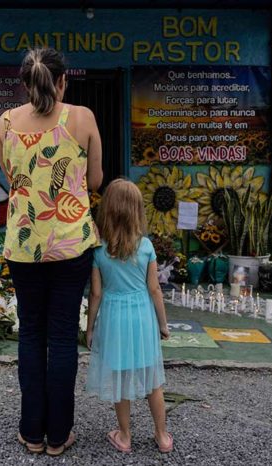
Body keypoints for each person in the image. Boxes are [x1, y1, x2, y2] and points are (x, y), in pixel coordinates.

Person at [0, 47, 103, 456]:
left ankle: (31, 432)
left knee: (31, 335)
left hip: (22, 245)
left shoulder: (6, 121)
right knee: (62, 338)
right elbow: (94, 181)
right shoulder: (83, 117)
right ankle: (59, 436)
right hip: (71, 244)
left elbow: (10, 175)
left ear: (25, 83)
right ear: (63, 81)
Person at [85, 179, 173, 454]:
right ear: (137, 210)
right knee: (152, 380)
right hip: (142, 317)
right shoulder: (146, 246)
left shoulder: (99, 249)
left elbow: (96, 294)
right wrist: (163, 324)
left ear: (108, 210)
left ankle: (124, 436)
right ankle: (161, 436)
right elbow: (155, 289)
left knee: (121, 378)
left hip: (114, 317)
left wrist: (89, 329)